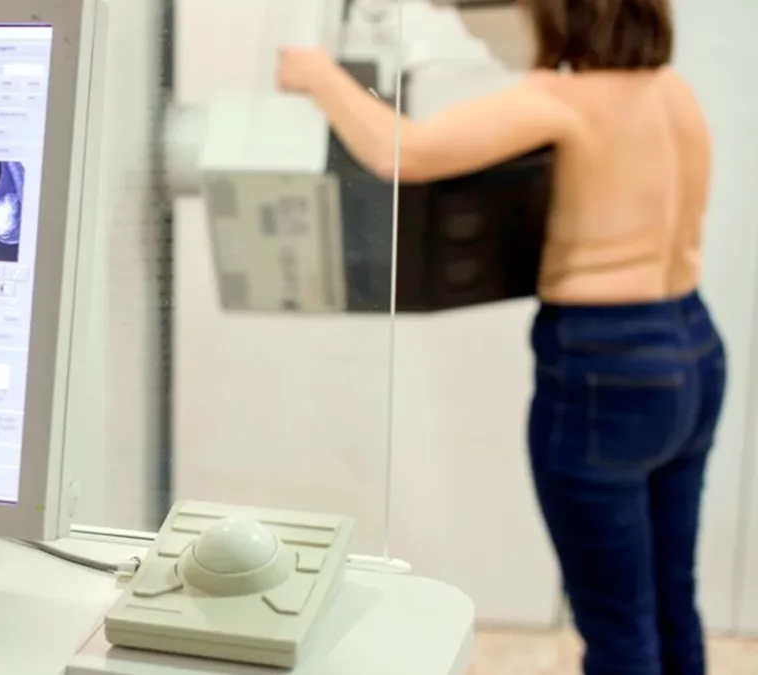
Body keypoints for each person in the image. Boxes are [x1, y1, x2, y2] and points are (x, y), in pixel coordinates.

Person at [277, 1, 722, 673]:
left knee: (617, 625)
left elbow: (403, 151)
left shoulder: (563, 99)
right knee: (670, 598)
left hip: (606, 364)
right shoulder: (673, 91)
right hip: (693, 346)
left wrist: (317, 74)